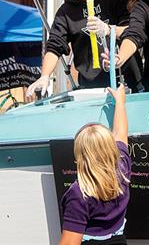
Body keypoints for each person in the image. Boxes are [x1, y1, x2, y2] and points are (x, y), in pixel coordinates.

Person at [26, 0, 142, 97]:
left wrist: (108, 29)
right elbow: (54, 45)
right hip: (93, 87)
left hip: (128, 79)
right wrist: (45, 76)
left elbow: (133, 31)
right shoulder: (66, 11)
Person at [59, 83, 130, 245]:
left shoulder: (79, 195)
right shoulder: (122, 168)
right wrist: (120, 102)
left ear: (80, 158)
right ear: (111, 149)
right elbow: (120, 133)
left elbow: (70, 243)